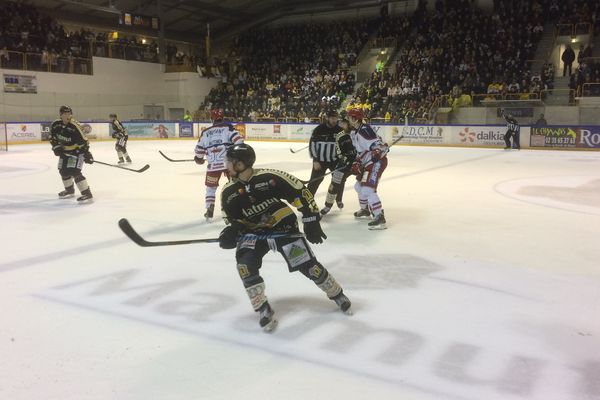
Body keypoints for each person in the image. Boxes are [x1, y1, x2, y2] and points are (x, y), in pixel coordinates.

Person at [219, 143, 352, 332]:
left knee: (308, 265)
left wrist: (311, 219)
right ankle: (262, 308)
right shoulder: (228, 191)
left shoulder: (270, 178)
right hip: (253, 234)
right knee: (245, 266)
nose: (227, 166)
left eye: (230, 162)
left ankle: (336, 293)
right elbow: (230, 218)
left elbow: (301, 193)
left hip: (283, 227)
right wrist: (232, 232)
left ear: (241, 165)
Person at [194, 108, 244, 220]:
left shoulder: (205, 132)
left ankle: (209, 207)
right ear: (223, 117)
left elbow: (199, 151)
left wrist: (199, 159)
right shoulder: (228, 127)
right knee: (236, 185)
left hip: (213, 166)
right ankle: (240, 206)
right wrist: (235, 154)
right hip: (229, 164)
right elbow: (239, 141)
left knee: (210, 188)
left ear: (211, 118)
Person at [347, 108, 389, 230]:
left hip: (377, 162)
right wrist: (357, 162)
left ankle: (379, 216)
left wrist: (378, 150)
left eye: (349, 117)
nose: (348, 120)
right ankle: (365, 210)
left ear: (354, 119)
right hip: (368, 163)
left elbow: (379, 145)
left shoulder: (364, 129)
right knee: (358, 187)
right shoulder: (354, 132)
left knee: (367, 189)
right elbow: (362, 151)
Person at [49, 106, 94, 202]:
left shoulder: (74, 126)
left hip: (77, 152)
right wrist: (56, 147)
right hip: (64, 152)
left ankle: (87, 194)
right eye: (65, 114)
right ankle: (69, 190)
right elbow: (52, 137)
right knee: (63, 171)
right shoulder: (55, 124)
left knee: (75, 172)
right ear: (60, 115)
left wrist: (87, 154)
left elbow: (84, 141)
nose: (67, 116)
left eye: (69, 113)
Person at [307, 110, 344, 208]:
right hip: (320, 161)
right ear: (327, 118)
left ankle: (338, 199)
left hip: (335, 161)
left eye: (336, 118)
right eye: (332, 118)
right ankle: (308, 201)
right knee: (314, 181)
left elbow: (344, 145)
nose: (334, 120)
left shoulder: (340, 130)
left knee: (339, 180)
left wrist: (343, 159)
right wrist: (315, 160)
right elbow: (312, 145)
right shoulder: (319, 129)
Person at [320, 117, 357, 215]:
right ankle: (328, 205)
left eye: (344, 123)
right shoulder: (340, 136)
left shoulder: (358, 133)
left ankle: (366, 207)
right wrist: (345, 160)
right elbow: (339, 152)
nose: (341, 125)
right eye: (341, 123)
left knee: (365, 185)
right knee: (335, 183)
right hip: (345, 162)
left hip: (359, 162)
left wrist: (357, 160)